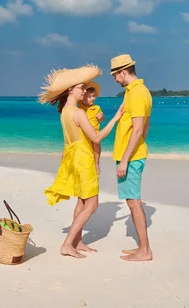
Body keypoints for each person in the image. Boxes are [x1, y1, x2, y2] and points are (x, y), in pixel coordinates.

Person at [39, 64, 123, 259]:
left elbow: (69, 141)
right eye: (81, 88)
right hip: (83, 159)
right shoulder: (78, 113)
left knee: (82, 200)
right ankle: (68, 244)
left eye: (85, 88)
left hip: (72, 157)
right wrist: (115, 118)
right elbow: (96, 137)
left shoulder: (65, 112)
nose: (84, 91)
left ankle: (77, 241)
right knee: (92, 204)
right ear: (71, 90)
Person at [110, 54, 153, 262]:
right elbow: (145, 127)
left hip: (131, 157)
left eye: (115, 75)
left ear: (123, 72)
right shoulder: (138, 92)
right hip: (135, 154)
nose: (114, 80)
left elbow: (137, 130)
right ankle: (142, 248)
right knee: (133, 201)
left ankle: (144, 250)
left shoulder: (136, 93)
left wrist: (126, 159)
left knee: (133, 202)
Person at [79, 81, 105, 175]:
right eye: (89, 97)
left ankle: (97, 163)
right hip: (84, 134)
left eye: (94, 96)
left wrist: (100, 117)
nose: (92, 99)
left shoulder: (97, 108)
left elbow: (102, 119)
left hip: (95, 133)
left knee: (96, 145)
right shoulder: (80, 108)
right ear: (83, 98)